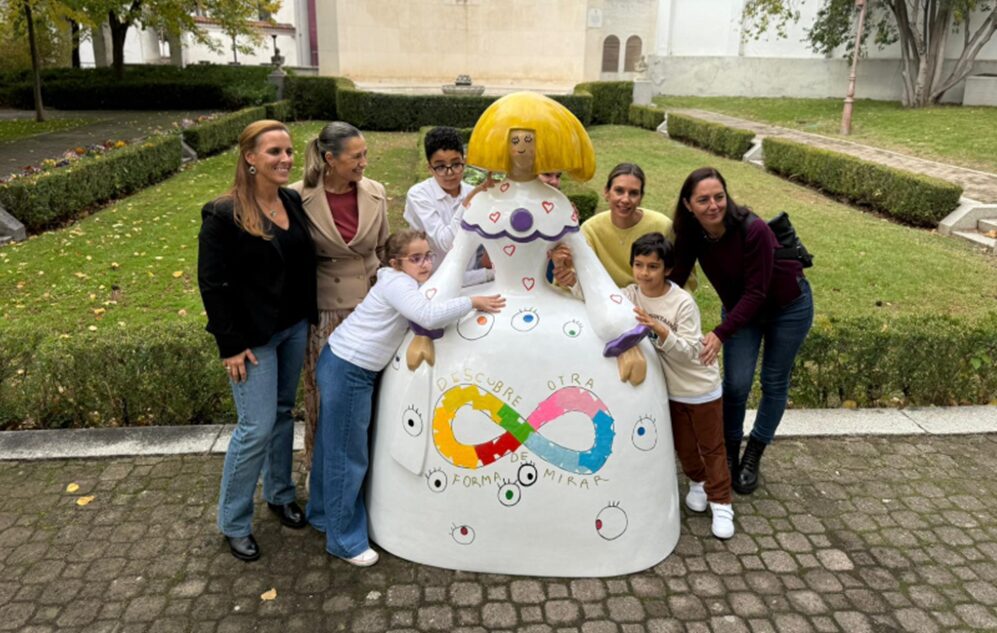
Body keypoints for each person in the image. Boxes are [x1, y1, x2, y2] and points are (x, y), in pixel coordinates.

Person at [307, 229, 505, 567]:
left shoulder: (404, 280)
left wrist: (489, 274)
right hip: (350, 370)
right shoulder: (397, 284)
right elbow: (426, 316)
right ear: (396, 263)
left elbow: (448, 278)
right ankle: (344, 539)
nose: (426, 263)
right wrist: (472, 302)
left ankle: (323, 513)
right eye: (416, 258)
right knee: (347, 454)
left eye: (428, 255)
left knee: (332, 447)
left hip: (341, 361)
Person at [197, 120, 317, 562]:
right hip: (252, 340)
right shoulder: (223, 214)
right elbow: (211, 283)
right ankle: (233, 521)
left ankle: (281, 494)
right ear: (250, 158)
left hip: (291, 328)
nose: (285, 159)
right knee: (255, 427)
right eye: (274, 152)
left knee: (284, 414)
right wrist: (229, 344)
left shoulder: (289, 199)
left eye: (288, 151)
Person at [669, 167, 813, 496]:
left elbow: (757, 293)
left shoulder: (753, 228)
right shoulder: (693, 232)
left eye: (719, 197)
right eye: (703, 199)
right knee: (735, 385)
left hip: (788, 307)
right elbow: (676, 275)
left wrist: (719, 334)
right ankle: (729, 453)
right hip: (741, 312)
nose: (713, 205)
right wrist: (644, 303)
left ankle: (754, 454)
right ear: (689, 204)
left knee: (774, 381)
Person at [289, 121, 389, 470]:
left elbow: (383, 249)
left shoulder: (375, 192)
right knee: (324, 398)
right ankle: (320, 471)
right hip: (326, 312)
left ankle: (372, 476)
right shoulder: (296, 197)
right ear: (330, 159)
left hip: (370, 310)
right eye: (356, 156)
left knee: (372, 397)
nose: (364, 162)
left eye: (365, 154)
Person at [627, 233, 733, 539]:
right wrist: (571, 279)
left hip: (700, 388)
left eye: (653, 266)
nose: (644, 273)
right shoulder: (632, 294)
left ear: (668, 269)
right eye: (638, 265)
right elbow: (602, 299)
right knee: (684, 447)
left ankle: (722, 503)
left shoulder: (682, 302)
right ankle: (698, 482)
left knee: (711, 448)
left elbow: (690, 350)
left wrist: (659, 328)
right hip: (669, 390)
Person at [551, 162, 695, 291]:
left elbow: (686, 278)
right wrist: (566, 276)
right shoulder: (591, 230)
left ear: (641, 198)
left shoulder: (663, 227)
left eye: (633, 193)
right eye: (619, 191)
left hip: (654, 304)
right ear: (607, 192)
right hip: (606, 304)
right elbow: (574, 277)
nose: (625, 199)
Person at [404, 126, 490, 284]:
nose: (450, 173)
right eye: (441, 167)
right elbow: (446, 243)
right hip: (430, 282)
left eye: (456, 164)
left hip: (469, 280)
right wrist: (467, 203)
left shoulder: (473, 193)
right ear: (430, 168)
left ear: (464, 161)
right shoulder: (418, 195)